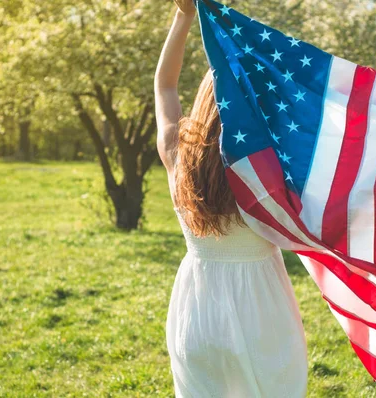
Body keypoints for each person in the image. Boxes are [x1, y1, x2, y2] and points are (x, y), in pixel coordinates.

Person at [154, 1, 308, 397]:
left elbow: (164, 86)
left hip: (197, 310)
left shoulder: (177, 153)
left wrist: (184, 17)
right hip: (263, 311)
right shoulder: (274, 172)